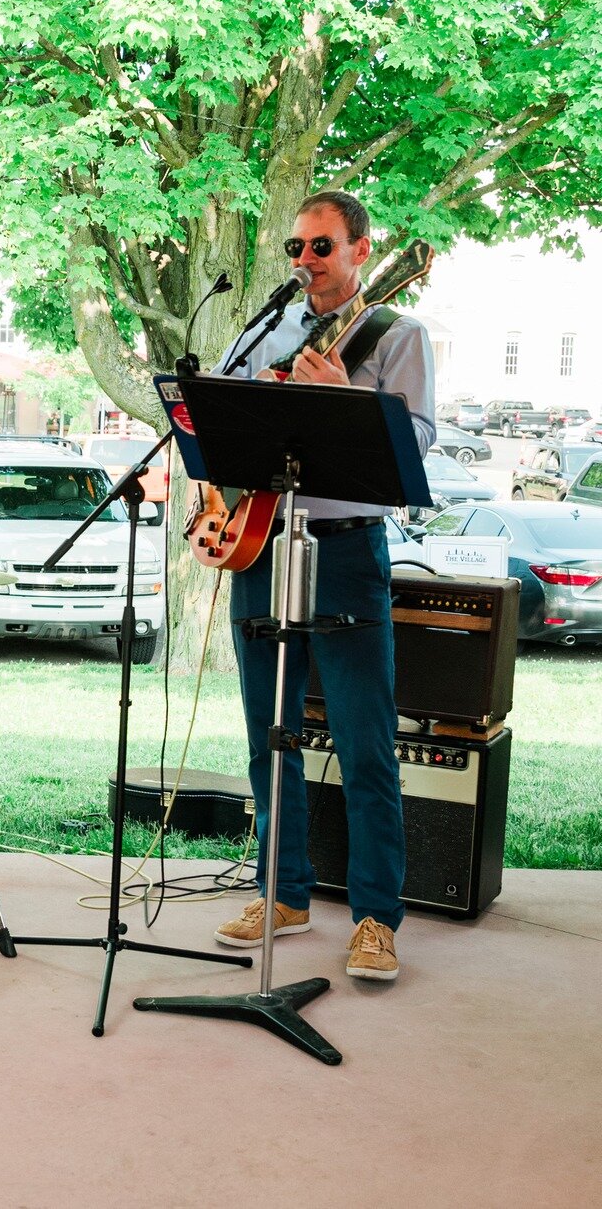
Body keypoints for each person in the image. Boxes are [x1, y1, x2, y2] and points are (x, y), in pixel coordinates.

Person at [212, 189, 434, 983]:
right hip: (265, 545)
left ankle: (376, 916)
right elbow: (220, 423)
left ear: (362, 250)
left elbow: (415, 445)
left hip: (344, 551)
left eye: (321, 247)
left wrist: (348, 398)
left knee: (365, 742)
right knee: (268, 738)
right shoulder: (270, 329)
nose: (305, 261)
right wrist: (219, 495)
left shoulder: (398, 334)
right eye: (296, 248)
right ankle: (285, 891)